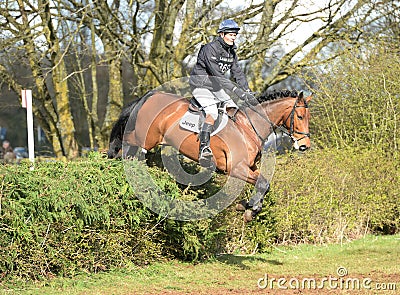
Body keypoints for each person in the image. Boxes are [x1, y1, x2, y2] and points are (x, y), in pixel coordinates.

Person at [190, 19, 253, 167]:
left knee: (233, 110)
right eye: (231, 34)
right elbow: (217, 76)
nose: (233, 37)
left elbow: (238, 73)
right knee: (213, 111)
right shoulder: (210, 49)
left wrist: (247, 91)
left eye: (235, 35)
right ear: (222, 34)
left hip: (216, 88)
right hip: (201, 86)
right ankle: (204, 148)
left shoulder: (231, 52)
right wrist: (236, 90)